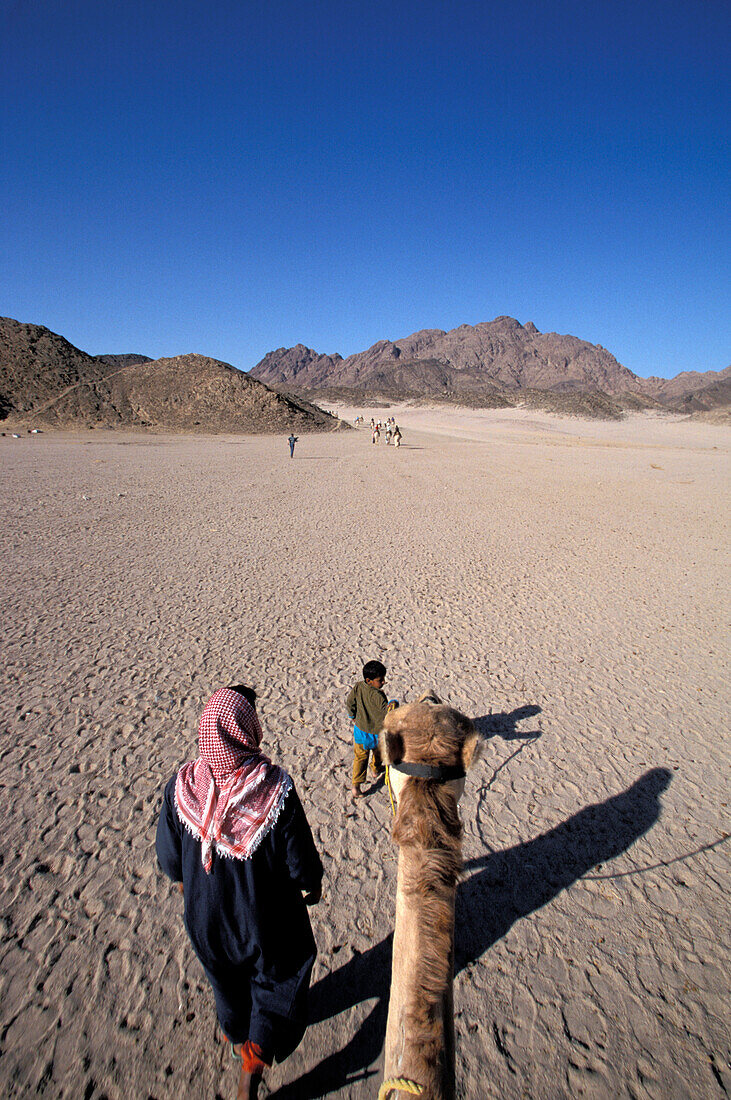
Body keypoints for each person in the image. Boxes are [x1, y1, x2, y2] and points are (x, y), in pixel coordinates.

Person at [156, 686, 323, 1099]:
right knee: (281, 972)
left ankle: (235, 1038)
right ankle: (255, 1057)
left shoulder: (182, 788)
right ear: (247, 730)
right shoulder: (273, 789)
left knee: (225, 979)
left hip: (203, 916)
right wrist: (311, 883)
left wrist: (189, 884)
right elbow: (299, 859)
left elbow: (170, 860)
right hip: (262, 916)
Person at [345, 660, 391, 799]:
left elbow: (350, 702)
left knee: (360, 759)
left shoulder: (358, 687)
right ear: (369, 680)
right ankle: (375, 770)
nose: (383, 682)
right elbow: (386, 713)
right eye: (380, 680)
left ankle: (356, 786)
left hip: (360, 732)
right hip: (376, 734)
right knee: (378, 754)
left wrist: (352, 715)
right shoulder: (379, 696)